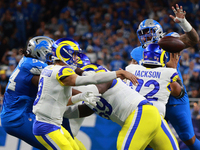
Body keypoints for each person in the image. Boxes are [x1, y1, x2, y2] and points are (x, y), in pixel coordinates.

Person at [32, 38, 138, 150]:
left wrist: (81, 97)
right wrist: (117, 73)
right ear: (64, 53)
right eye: (74, 54)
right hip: (47, 126)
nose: (76, 58)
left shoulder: (48, 69)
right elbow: (93, 79)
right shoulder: (61, 71)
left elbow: (62, 101)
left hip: (52, 124)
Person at [129, 4, 200, 150]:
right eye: (143, 33)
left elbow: (193, 40)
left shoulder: (169, 41)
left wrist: (184, 23)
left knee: (189, 139)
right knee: (148, 143)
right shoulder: (136, 52)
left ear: (159, 32)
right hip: (152, 100)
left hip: (174, 96)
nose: (146, 36)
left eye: (149, 32)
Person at [65, 62, 180, 150]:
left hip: (142, 113)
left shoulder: (106, 81)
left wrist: (61, 90)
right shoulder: (90, 99)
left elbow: (94, 89)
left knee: (124, 146)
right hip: (150, 116)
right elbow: (74, 112)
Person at [0, 36, 54, 150]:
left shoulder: (26, 61)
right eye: (50, 55)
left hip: (22, 113)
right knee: (55, 146)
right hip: (17, 117)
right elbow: (58, 74)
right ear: (40, 53)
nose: (52, 59)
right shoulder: (31, 63)